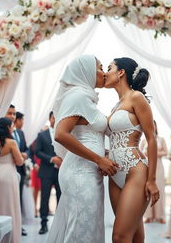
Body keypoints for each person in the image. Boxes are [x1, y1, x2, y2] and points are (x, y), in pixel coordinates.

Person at [47, 55, 118, 243]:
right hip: (80, 173)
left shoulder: (86, 98)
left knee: (89, 226)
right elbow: (61, 134)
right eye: (100, 67)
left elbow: (89, 135)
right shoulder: (78, 96)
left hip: (88, 171)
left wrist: (104, 154)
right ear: (86, 71)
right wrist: (99, 159)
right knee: (81, 228)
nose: (104, 72)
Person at [104, 57, 159, 242]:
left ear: (121, 73)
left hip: (135, 171)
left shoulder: (137, 97)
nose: (105, 72)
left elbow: (151, 138)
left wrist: (152, 180)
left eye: (109, 68)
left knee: (119, 237)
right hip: (114, 174)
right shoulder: (115, 106)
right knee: (134, 235)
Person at [0, 117, 24, 243]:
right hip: (8, 174)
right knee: (11, 206)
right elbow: (20, 162)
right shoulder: (11, 142)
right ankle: (11, 239)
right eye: (12, 126)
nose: (13, 128)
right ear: (8, 127)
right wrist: (21, 156)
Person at [35, 111, 62, 234]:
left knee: (61, 198)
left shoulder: (64, 133)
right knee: (45, 198)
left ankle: (60, 224)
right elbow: (37, 152)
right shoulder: (42, 135)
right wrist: (52, 159)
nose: (55, 120)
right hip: (46, 171)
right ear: (50, 118)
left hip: (62, 171)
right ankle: (43, 224)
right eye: (53, 117)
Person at [5, 106, 28, 236]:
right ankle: (9, 226)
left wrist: (25, 154)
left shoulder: (20, 132)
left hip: (20, 169)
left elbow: (26, 148)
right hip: (9, 169)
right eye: (10, 113)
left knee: (17, 199)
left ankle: (18, 225)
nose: (13, 116)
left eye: (14, 114)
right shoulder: (1, 131)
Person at [140, 120, 167, 224]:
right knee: (147, 190)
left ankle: (160, 216)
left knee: (159, 188)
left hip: (159, 166)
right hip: (147, 166)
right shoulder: (143, 140)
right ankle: (148, 216)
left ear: (156, 126)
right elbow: (140, 152)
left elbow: (166, 152)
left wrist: (155, 152)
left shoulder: (161, 139)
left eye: (153, 125)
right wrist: (146, 153)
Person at [29, 140, 41, 217]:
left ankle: (44, 207)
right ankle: (34, 209)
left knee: (45, 188)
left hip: (44, 164)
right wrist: (34, 164)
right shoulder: (32, 140)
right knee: (35, 188)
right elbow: (30, 154)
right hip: (36, 165)